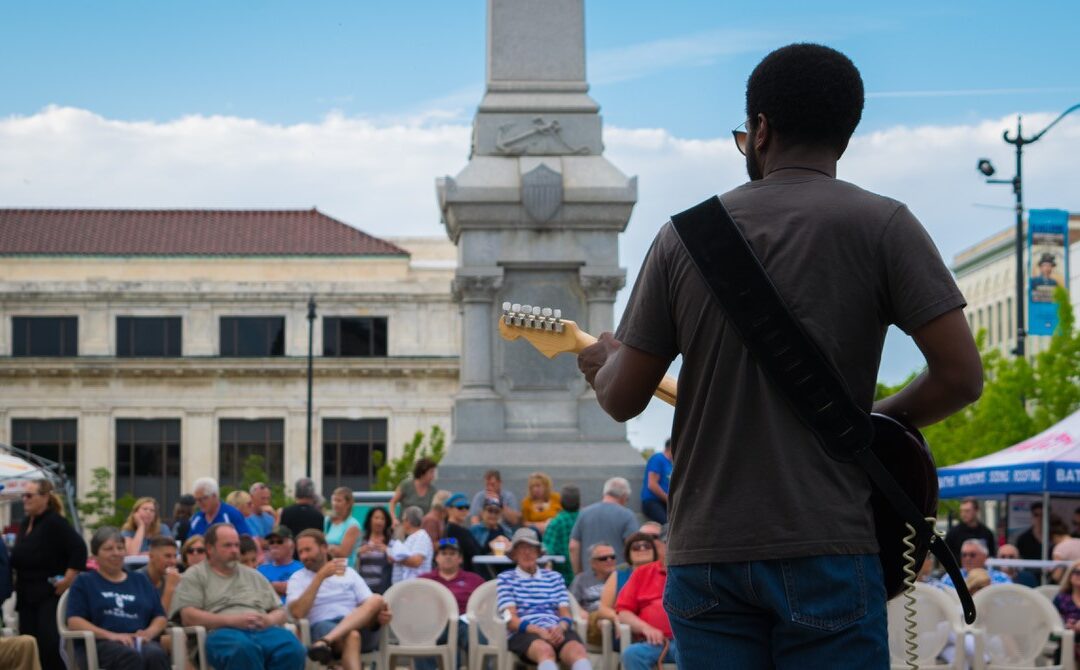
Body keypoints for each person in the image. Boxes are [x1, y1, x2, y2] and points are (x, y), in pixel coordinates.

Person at [576, 43, 983, 668]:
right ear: (844, 138)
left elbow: (624, 398)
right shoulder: (886, 225)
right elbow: (961, 377)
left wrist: (600, 362)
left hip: (707, 550)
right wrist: (870, 423)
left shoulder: (683, 237)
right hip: (830, 541)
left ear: (760, 130)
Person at [170, 524, 306, 670]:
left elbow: (280, 611)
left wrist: (269, 620)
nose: (234, 550)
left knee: (292, 648)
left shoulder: (254, 575)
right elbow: (188, 616)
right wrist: (232, 621)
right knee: (242, 649)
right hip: (221, 633)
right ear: (210, 548)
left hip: (262, 630)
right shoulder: (196, 575)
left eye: (236, 545)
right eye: (227, 545)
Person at [66, 527, 170, 670]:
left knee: (156, 654)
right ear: (95, 556)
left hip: (138, 641)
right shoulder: (84, 581)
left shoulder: (141, 580)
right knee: (129, 656)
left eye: (120, 548)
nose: (116, 553)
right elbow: (74, 621)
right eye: (108, 549)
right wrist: (111, 636)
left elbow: (160, 616)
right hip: (100, 644)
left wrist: (149, 633)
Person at [11, 478, 87, 670]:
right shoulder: (27, 522)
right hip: (26, 595)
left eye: (30, 495)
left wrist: (68, 579)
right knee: (29, 644)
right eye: (23, 495)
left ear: (44, 497)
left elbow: (79, 548)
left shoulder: (54, 522)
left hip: (47, 595)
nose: (25, 499)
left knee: (49, 645)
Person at [287, 530, 392, 670]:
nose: (304, 556)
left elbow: (368, 604)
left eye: (308, 550)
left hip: (356, 625)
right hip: (323, 626)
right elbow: (298, 613)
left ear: (324, 548)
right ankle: (326, 640)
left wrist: (380, 614)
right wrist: (320, 577)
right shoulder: (298, 578)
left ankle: (324, 642)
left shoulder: (348, 572)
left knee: (377, 599)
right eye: (300, 552)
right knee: (352, 635)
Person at [497, 528, 592, 670]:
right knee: (545, 651)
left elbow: (565, 613)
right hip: (524, 632)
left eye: (531, 547)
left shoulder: (554, 577)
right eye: (522, 548)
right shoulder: (505, 578)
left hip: (555, 628)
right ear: (515, 554)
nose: (527, 552)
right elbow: (511, 619)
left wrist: (560, 627)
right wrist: (538, 631)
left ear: (538, 552)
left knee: (578, 651)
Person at [416, 537, 487, 670]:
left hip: (464, 624)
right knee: (421, 632)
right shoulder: (424, 580)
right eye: (444, 553)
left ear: (460, 559)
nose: (448, 557)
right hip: (433, 623)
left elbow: (486, 603)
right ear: (436, 558)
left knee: (476, 632)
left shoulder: (474, 580)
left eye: (452, 554)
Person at [616, 551, 676, 670]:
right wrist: (646, 628)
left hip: (688, 643)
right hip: (655, 644)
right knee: (631, 654)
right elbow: (623, 612)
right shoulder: (642, 572)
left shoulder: (695, 574)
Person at [597, 532, 660, 643]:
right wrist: (617, 617)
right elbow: (603, 608)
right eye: (636, 547)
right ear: (628, 554)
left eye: (647, 546)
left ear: (654, 551)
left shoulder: (663, 573)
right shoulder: (619, 575)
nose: (642, 549)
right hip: (626, 629)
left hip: (660, 629)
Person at [568, 478, 637, 575]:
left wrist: (579, 574)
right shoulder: (628, 516)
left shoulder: (584, 513)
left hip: (589, 577)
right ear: (624, 496)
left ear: (605, 493)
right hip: (618, 578)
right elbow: (633, 546)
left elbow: (573, 546)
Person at [570, 543, 617, 647]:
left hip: (615, 614)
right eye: (603, 558)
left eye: (612, 557)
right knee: (602, 620)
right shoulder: (581, 579)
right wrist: (579, 611)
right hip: (592, 619)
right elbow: (571, 601)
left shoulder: (622, 577)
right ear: (593, 563)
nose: (609, 560)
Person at [188, 477, 253, 538]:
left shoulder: (232, 515)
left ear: (214, 496)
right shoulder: (196, 518)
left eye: (202, 499)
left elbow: (246, 542)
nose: (199, 503)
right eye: (197, 500)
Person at [544, 485, 581, 586]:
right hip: (583, 577)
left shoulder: (556, 523)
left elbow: (546, 550)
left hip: (562, 578)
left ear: (561, 503)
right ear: (579, 503)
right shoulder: (585, 519)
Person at [389, 506, 433, 584]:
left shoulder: (421, 536)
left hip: (415, 588)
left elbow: (416, 562)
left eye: (403, 520)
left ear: (408, 521)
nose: (402, 523)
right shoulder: (412, 537)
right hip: (406, 588)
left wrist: (394, 558)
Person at [258, 525, 304, 601]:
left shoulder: (302, 568)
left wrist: (267, 586)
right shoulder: (260, 570)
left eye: (280, 542)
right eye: (271, 542)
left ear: (291, 545)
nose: (275, 545)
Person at [940, 539, 1011, 589]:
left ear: (985, 557)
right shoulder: (951, 577)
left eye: (972, 555)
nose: (967, 558)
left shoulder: (1001, 578)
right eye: (964, 555)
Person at [138, 535, 182, 613]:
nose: (173, 561)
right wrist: (170, 588)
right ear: (151, 556)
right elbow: (158, 618)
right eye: (167, 556)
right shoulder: (137, 580)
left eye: (175, 556)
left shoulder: (171, 578)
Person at [389, 458, 439, 526]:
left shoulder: (433, 491)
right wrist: (394, 519)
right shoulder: (406, 485)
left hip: (422, 529)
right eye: (431, 472)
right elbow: (393, 502)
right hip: (403, 526)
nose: (433, 476)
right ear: (422, 473)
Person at [443, 492, 485, 572]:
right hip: (464, 572)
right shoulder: (457, 531)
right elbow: (475, 551)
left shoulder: (448, 528)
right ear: (449, 509)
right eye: (460, 507)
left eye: (467, 507)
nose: (464, 510)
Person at [356, 506, 393, 594]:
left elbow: (396, 561)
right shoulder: (361, 539)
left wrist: (387, 551)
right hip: (362, 587)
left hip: (383, 588)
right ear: (370, 520)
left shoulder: (391, 542)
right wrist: (359, 551)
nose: (379, 521)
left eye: (382, 519)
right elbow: (351, 557)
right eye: (376, 518)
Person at [325, 486, 362, 569]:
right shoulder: (328, 520)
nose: (335, 503)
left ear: (348, 503)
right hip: (329, 568)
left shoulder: (353, 524)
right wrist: (333, 548)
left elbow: (343, 553)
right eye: (334, 500)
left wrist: (327, 547)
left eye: (339, 501)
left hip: (345, 570)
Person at [1053, 560, 1080, 664]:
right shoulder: (1061, 598)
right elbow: (1052, 623)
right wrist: (1067, 626)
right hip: (1067, 641)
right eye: (1076, 572)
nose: (1079, 575)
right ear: (1069, 575)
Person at [640, 440, 673, 525]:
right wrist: (669, 499)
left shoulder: (671, 463)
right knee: (667, 525)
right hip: (653, 501)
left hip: (665, 502)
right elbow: (652, 484)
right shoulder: (658, 459)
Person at [522, 472, 562, 536]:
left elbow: (563, 516)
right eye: (532, 486)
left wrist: (549, 524)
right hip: (535, 534)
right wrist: (539, 525)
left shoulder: (556, 498)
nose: (535, 489)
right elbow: (524, 523)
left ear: (546, 486)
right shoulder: (526, 502)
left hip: (555, 532)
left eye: (538, 486)